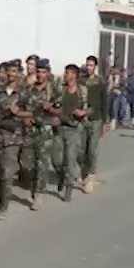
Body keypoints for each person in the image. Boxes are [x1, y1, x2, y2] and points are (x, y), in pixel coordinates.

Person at [0, 60, 29, 219]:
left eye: (14, 71)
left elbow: (33, 113)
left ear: (19, 73)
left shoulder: (24, 93)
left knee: (7, 173)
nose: (10, 74)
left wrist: (18, 113)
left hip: (13, 138)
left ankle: (3, 206)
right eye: (8, 71)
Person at [23, 58, 59, 209]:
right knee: (28, 163)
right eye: (38, 71)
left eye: (43, 72)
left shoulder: (53, 91)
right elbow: (22, 106)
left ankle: (39, 194)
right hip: (30, 130)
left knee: (42, 163)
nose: (40, 75)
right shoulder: (30, 89)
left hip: (45, 130)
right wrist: (25, 118)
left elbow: (61, 110)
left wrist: (51, 109)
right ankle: (34, 190)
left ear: (48, 73)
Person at [49, 64, 87, 202]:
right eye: (66, 72)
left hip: (74, 129)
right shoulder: (60, 90)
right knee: (56, 159)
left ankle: (68, 187)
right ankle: (61, 175)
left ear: (75, 75)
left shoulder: (82, 91)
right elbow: (50, 105)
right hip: (59, 127)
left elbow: (91, 108)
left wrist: (83, 112)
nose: (66, 75)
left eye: (69, 73)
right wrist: (54, 112)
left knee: (70, 159)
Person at [79, 55, 107, 193]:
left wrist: (105, 121)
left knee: (92, 149)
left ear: (95, 66)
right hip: (82, 119)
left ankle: (91, 176)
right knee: (82, 149)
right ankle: (84, 174)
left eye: (91, 65)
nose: (89, 67)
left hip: (96, 119)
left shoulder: (100, 81)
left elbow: (104, 101)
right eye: (87, 65)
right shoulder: (81, 80)